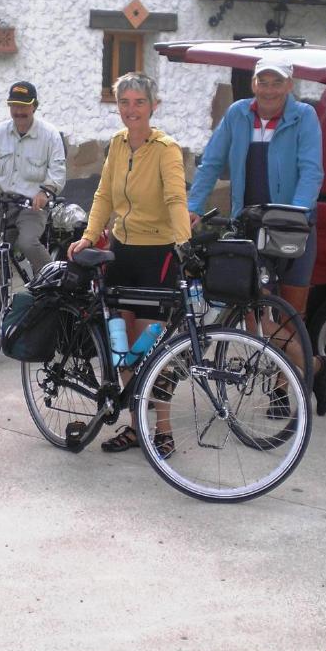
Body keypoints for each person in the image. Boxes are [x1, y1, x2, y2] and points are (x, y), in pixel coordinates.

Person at [186, 58, 326, 413]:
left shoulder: (304, 118)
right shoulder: (238, 114)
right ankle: (315, 367)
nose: (269, 89)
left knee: (291, 313)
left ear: (289, 83)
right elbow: (211, 162)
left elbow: (311, 171)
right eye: (262, 81)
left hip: (293, 227)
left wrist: (294, 215)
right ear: (253, 83)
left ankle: (283, 390)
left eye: (276, 82)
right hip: (250, 226)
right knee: (255, 311)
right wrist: (192, 206)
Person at [67, 72, 190, 456]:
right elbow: (104, 194)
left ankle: (164, 429)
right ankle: (137, 428)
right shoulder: (117, 145)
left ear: (154, 106)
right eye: (124, 102)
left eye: (139, 102)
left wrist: (184, 243)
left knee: (151, 346)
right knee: (124, 344)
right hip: (121, 251)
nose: (131, 110)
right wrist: (89, 235)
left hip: (158, 254)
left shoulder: (166, 148)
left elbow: (175, 199)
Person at [0, 81, 67, 349]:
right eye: (14, 107)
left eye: (24, 107)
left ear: (34, 107)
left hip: (32, 207)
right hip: (3, 204)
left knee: (28, 242)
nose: (19, 112)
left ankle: (54, 290)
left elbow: (57, 174)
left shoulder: (49, 135)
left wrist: (44, 192)